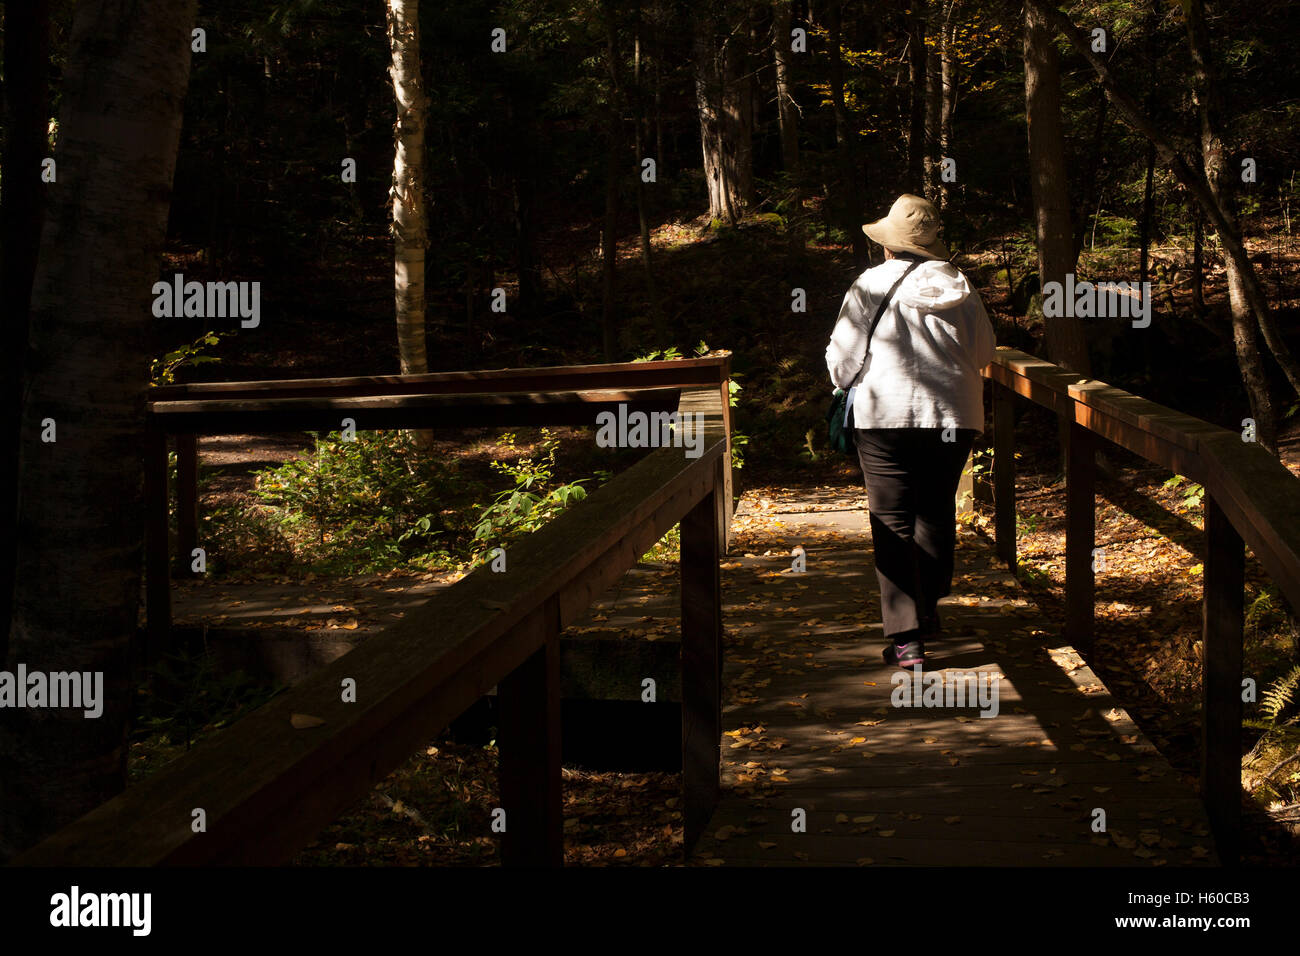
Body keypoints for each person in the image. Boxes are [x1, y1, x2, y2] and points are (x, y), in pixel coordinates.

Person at [825, 194, 996, 668]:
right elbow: (984, 353)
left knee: (892, 519)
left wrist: (844, 384)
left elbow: (842, 358)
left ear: (889, 245)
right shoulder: (961, 285)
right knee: (936, 511)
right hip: (953, 415)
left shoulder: (869, 284)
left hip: (885, 414)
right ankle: (928, 605)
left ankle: (906, 639)